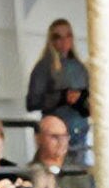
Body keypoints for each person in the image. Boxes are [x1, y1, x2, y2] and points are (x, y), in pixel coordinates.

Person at [25, 18, 90, 158]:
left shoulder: (80, 67)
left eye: (68, 36)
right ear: (51, 41)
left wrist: (80, 99)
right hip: (56, 135)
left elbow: (89, 103)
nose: (64, 41)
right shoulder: (43, 67)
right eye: (58, 37)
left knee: (78, 175)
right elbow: (32, 102)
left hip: (80, 134)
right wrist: (62, 96)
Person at [28, 113, 95, 188]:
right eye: (54, 137)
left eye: (65, 136)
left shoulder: (81, 171)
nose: (61, 142)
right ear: (38, 138)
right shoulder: (27, 174)